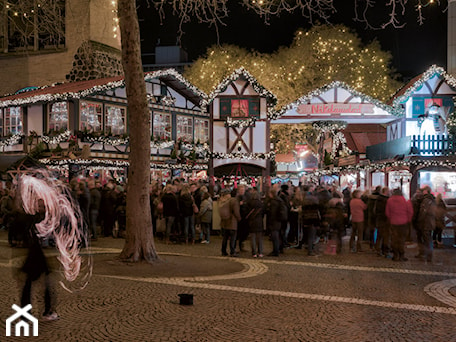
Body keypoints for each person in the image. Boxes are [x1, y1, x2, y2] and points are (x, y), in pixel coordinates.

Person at [20, 199, 59, 321]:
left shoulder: (34, 218)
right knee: (44, 285)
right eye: (40, 206)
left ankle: (27, 314)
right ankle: (46, 312)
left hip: (36, 257)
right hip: (37, 257)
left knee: (31, 285)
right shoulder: (38, 219)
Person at [385, 188, 413, 261]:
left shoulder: (390, 200)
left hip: (393, 222)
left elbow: (387, 212)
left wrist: (391, 218)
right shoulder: (406, 200)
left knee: (394, 239)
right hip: (403, 223)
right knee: (402, 239)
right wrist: (408, 220)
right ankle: (402, 255)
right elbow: (410, 212)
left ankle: (395, 255)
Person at [219, 188, 241, 257]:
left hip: (224, 222)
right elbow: (236, 212)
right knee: (233, 238)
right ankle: (232, 251)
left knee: (225, 237)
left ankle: (223, 251)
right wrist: (239, 218)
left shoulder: (222, 201)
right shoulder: (233, 201)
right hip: (232, 222)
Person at [300, 185, 321, 256]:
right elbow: (317, 215)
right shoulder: (315, 207)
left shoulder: (305, 205)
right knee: (312, 236)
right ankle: (310, 250)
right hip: (313, 221)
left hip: (306, 220)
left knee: (308, 235)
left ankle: (308, 248)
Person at [418, 186, 436, 262]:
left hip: (426, 222)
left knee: (427, 240)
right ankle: (429, 255)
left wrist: (419, 220)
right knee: (429, 239)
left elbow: (423, 212)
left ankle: (428, 256)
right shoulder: (432, 200)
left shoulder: (426, 200)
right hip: (431, 222)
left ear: (426, 191)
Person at [246, 188, 265, 257]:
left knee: (252, 237)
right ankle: (260, 252)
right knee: (259, 238)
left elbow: (246, 212)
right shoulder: (261, 204)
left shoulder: (249, 203)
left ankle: (254, 253)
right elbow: (263, 213)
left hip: (251, 221)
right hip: (259, 221)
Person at [264, 188, 283, 257]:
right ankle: (279, 249)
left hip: (274, 221)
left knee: (275, 236)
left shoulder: (273, 202)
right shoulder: (279, 200)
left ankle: (276, 251)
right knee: (277, 235)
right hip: (278, 221)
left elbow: (273, 213)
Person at [375, 187, 390, 257]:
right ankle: (384, 250)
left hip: (379, 219)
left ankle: (378, 249)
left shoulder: (378, 199)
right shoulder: (386, 200)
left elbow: (375, 210)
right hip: (385, 219)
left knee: (379, 235)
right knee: (385, 236)